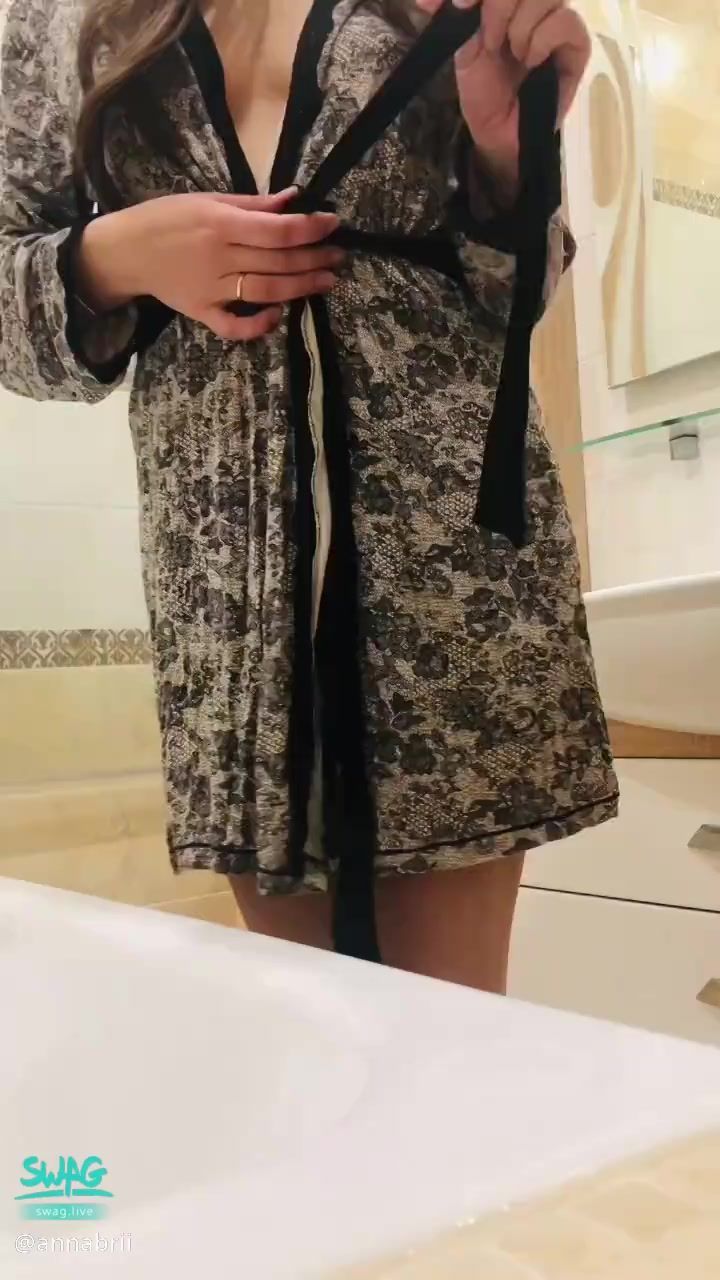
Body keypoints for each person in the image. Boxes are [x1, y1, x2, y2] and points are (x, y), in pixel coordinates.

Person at [0, 0, 618, 991]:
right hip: (229, 594)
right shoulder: (55, 17)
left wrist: (510, 162)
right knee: (306, 1032)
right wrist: (119, 253)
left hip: (451, 576)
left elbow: (517, 297)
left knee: (457, 1033)